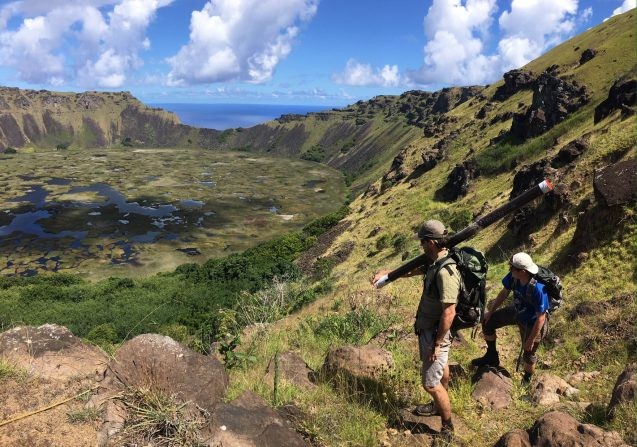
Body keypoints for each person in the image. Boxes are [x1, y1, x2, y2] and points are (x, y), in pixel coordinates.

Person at [373, 219, 459, 445]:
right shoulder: (434, 261)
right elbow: (417, 270)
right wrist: (390, 273)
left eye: (422, 241)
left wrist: (437, 343)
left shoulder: (445, 271)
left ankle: (447, 427)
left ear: (431, 242)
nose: (420, 245)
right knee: (442, 371)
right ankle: (438, 406)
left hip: (435, 333)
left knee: (430, 383)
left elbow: (449, 312)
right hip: (431, 330)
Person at [471, 252, 549, 384]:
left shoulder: (538, 289)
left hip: (532, 322)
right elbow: (504, 292)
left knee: (528, 353)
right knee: (488, 322)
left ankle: (527, 378)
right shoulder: (514, 277)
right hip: (517, 311)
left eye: (511, 267)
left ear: (523, 271)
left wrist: (530, 340)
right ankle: (491, 356)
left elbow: (541, 318)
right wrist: (490, 312)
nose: (509, 269)